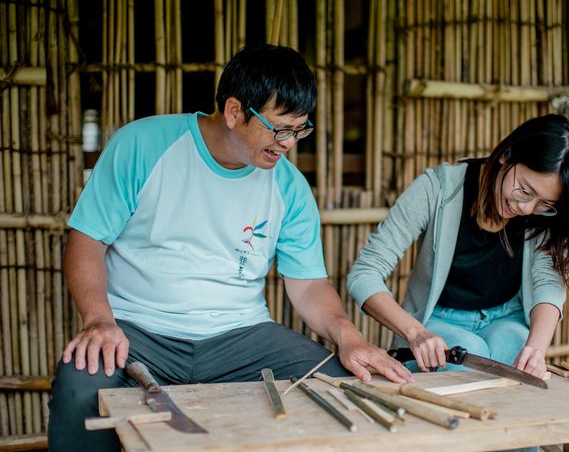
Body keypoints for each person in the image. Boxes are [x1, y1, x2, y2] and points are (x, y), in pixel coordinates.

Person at [48, 44, 412, 451]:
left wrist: (348, 336)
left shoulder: (290, 188)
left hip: (242, 336)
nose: (289, 143)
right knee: (79, 384)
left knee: (341, 385)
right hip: (137, 329)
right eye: (279, 128)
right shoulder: (142, 145)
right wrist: (99, 319)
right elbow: (87, 240)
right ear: (235, 111)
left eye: (299, 129)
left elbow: (308, 285)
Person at [347, 114, 569, 378]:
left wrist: (536, 348)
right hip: (437, 321)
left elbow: (548, 285)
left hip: (505, 318)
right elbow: (365, 274)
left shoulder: (543, 216)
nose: (526, 208)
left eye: (544, 203)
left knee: (515, 348)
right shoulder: (437, 189)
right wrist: (416, 333)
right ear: (506, 155)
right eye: (524, 190)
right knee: (468, 354)